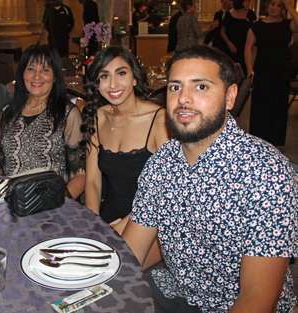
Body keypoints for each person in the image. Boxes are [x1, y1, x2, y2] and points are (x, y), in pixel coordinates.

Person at [122, 45, 298, 312]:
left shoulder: (266, 173)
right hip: (175, 290)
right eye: (175, 87)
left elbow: (258, 298)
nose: (183, 99)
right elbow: (132, 252)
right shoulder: (161, 162)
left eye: (201, 87)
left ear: (230, 97)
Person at [81, 46, 169, 254]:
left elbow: (164, 191)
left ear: (135, 78)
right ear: (97, 84)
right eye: (104, 76)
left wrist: (120, 229)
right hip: (108, 216)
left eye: (121, 73)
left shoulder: (159, 120)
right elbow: (93, 182)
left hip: (150, 223)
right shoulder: (98, 117)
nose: (113, 84)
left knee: (109, 272)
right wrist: (94, 224)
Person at [0, 44, 86, 200]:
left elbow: (80, 174)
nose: (36, 76)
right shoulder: (8, 112)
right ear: (22, 74)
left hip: (52, 203)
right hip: (11, 201)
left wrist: (58, 201)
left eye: (45, 70)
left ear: (55, 76)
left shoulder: (67, 114)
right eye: (30, 69)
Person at [245, 0, 298, 146]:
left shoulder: (287, 24)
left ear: (283, 9)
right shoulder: (257, 26)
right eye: (273, 4)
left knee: (279, 105)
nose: (274, 7)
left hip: (282, 70)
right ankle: (257, 141)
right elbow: (248, 48)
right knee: (260, 105)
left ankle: (276, 142)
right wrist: (250, 70)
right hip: (262, 70)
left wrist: (290, 8)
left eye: (279, 5)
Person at [220, 0, 257, 75]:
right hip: (231, 48)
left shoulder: (251, 14)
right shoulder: (229, 14)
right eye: (246, 1)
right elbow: (222, 32)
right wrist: (229, 44)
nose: (248, 3)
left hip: (246, 47)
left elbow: (256, 30)